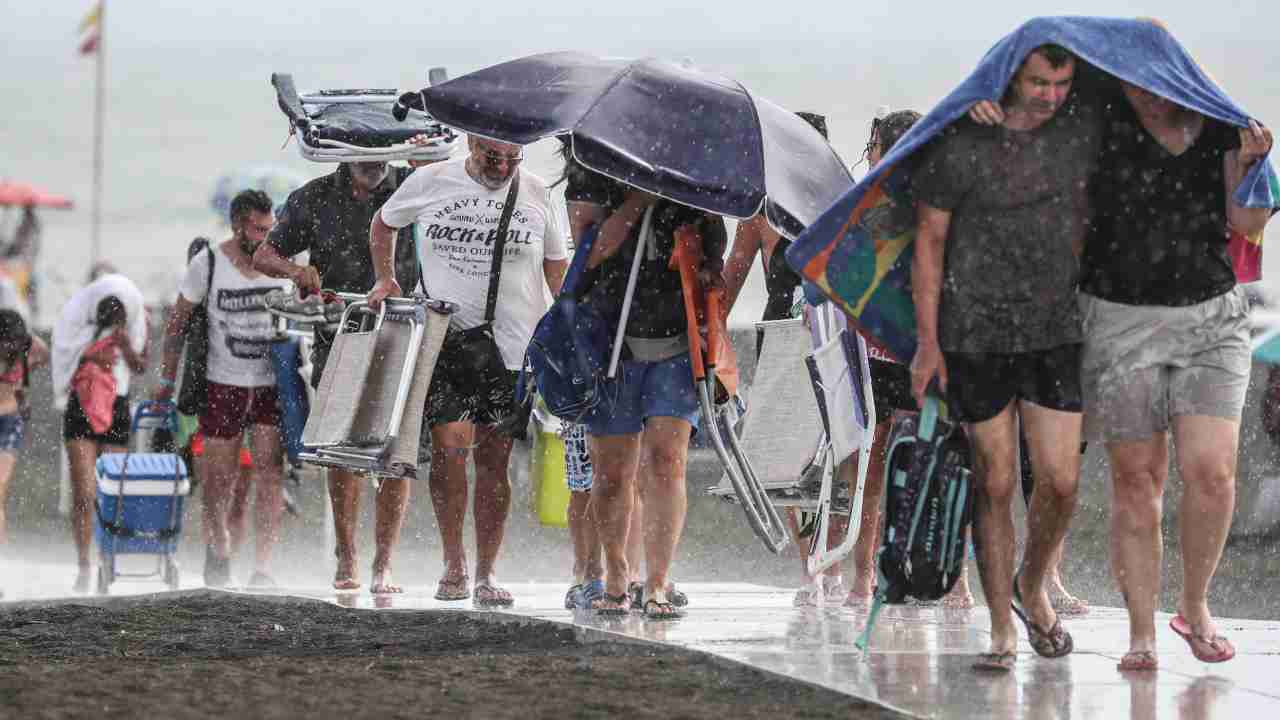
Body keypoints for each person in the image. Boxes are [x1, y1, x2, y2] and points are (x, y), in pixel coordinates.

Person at [911, 44, 1099, 670]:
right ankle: (1000, 627)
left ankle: (1032, 582)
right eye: (1039, 82)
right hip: (975, 335)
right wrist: (929, 343)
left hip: (1056, 333)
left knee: (1062, 480)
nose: (1050, 95)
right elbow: (929, 246)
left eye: (1061, 83)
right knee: (992, 482)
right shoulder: (962, 141)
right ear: (1012, 76)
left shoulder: (1079, 132)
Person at [1076, 80, 1273, 669]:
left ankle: (1195, 606)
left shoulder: (1222, 125)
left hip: (1213, 318)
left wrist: (1251, 162)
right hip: (1119, 319)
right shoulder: (1099, 124)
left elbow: (1248, 221)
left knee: (1212, 472)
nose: (1151, 92)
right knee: (1138, 479)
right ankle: (1142, 631)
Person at [369, 136, 568, 607]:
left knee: (494, 462)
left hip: (512, 350)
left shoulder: (536, 192)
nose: (502, 167)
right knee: (449, 451)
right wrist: (385, 277)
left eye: (512, 159)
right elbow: (383, 224)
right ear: (472, 146)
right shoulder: (432, 179)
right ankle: (453, 562)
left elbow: (556, 266)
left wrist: (572, 324)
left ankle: (487, 571)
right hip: (448, 339)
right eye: (491, 158)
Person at [564, 160, 728, 620]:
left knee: (666, 460)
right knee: (613, 472)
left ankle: (656, 581)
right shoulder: (590, 169)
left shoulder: (688, 167)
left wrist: (710, 264)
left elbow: (713, 234)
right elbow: (590, 252)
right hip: (610, 342)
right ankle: (617, 577)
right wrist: (639, 198)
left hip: (676, 341)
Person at [253, 161, 422, 594]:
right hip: (338, 326)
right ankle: (346, 556)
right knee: (341, 445)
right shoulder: (314, 197)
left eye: (381, 159)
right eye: (364, 158)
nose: (374, 168)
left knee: (396, 446)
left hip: (402, 326)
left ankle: (384, 562)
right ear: (345, 157)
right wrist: (295, 272)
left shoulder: (412, 184)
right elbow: (265, 254)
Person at [154, 189, 290, 588]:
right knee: (218, 477)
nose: (265, 237)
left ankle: (262, 566)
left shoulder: (283, 261)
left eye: (270, 229)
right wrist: (166, 378)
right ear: (236, 225)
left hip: (269, 385)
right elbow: (176, 324)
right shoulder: (208, 262)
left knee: (270, 473)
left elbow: (306, 309)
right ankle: (220, 546)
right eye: (257, 229)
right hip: (221, 383)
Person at [51, 273, 148, 592]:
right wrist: (90, 352)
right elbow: (64, 359)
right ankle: (84, 564)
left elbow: (139, 366)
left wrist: (123, 345)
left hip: (116, 402)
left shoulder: (134, 324)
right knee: (84, 490)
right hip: (82, 401)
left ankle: (108, 560)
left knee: (113, 491)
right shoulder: (77, 322)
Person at [0, 310, 47, 544]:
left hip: (9, 421)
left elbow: (42, 354)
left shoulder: (29, 346)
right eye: (5, 343)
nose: (9, 348)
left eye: (13, 343)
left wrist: (20, 388)